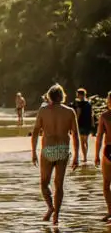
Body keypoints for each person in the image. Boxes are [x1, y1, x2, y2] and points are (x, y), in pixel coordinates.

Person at [30, 84, 80, 225]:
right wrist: (77, 156)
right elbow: (75, 135)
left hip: (48, 150)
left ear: (49, 96)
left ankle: (50, 207)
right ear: (62, 96)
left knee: (44, 183)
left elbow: (35, 132)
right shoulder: (70, 112)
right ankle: (56, 217)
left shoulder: (43, 110)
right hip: (63, 150)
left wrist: (33, 152)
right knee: (59, 185)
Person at [94, 92, 111, 221]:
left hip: (109, 150)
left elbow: (99, 137)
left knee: (106, 184)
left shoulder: (104, 116)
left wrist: (96, 155)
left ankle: (110, 211)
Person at [73, 88, 94, 163]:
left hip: (81, 123)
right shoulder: (89, 103)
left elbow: (78, 114)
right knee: (86, 141)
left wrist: (75, 123)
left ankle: (84, 157)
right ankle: (85, 156)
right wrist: (92, 124)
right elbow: (91, 114)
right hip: (87, 124)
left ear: (79, 95)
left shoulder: (79, 103)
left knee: (82, 142)